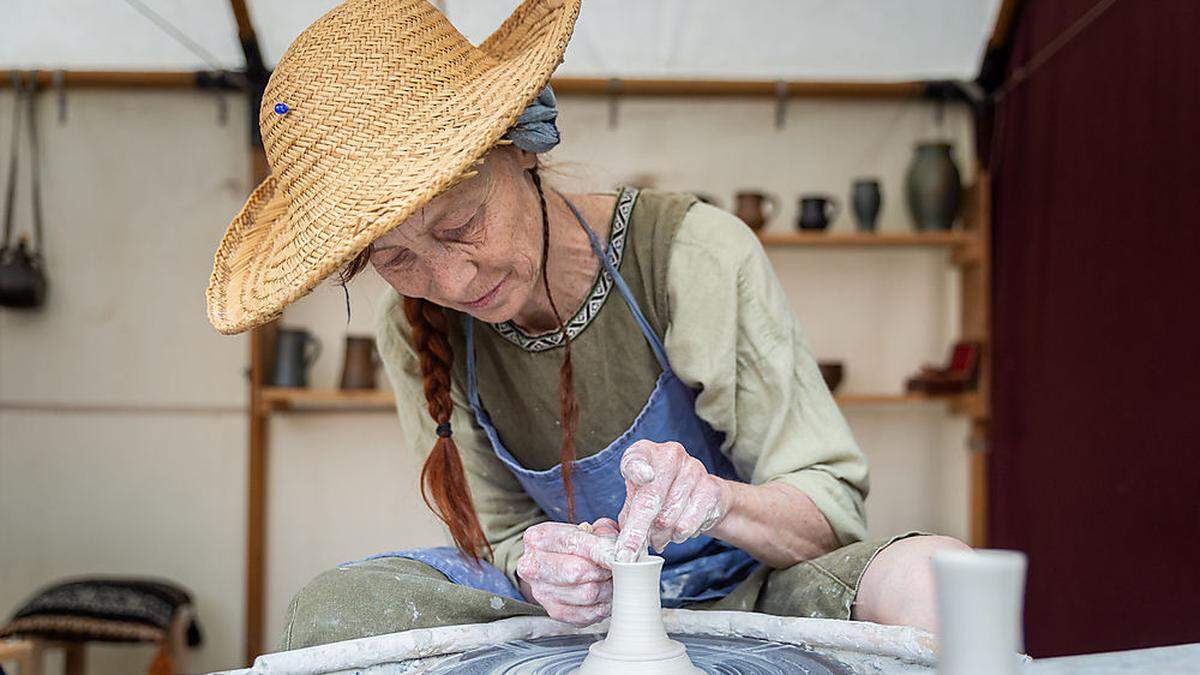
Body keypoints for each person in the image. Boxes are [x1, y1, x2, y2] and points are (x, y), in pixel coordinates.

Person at [205, 0, 970, 652]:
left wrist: (717, 501)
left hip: (748, 599)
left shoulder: (689, 255)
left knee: (936, 578)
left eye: (462, 224)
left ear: (521, 145)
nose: (452, 282)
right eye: (397, 258)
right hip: (569, 629)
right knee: (333, 614)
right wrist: (537, 565)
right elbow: (499, 540)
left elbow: (831, 515)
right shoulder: (414, 330)